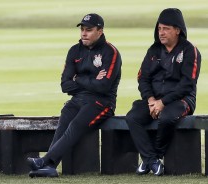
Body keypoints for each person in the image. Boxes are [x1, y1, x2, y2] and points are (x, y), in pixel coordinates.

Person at [27, 13, 122, 177]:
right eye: (83, 30)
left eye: (89, 30)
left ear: (100, 31)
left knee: (75, 125)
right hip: (77, 99)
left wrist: (77, 78)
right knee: (64, 120)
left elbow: (104, 86)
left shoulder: (111, 52)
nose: (84, 33)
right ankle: (50, 167)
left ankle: (44, 161)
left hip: (102, 103)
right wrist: (90, 80)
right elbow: (65, 85)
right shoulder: (74, 51)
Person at [126, 8, 201, 176]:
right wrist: (151, 99)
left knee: (167, 117)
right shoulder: (153, 50)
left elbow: (188, 84)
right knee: (132, 117)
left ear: (177, 30)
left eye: (166, 28)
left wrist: (163, 102)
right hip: (154, 100)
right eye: (159, 28)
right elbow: (142, 78)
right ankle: (152, 160)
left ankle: (152, 157)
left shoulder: (190, 51)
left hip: (182, 100)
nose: (161, 32)